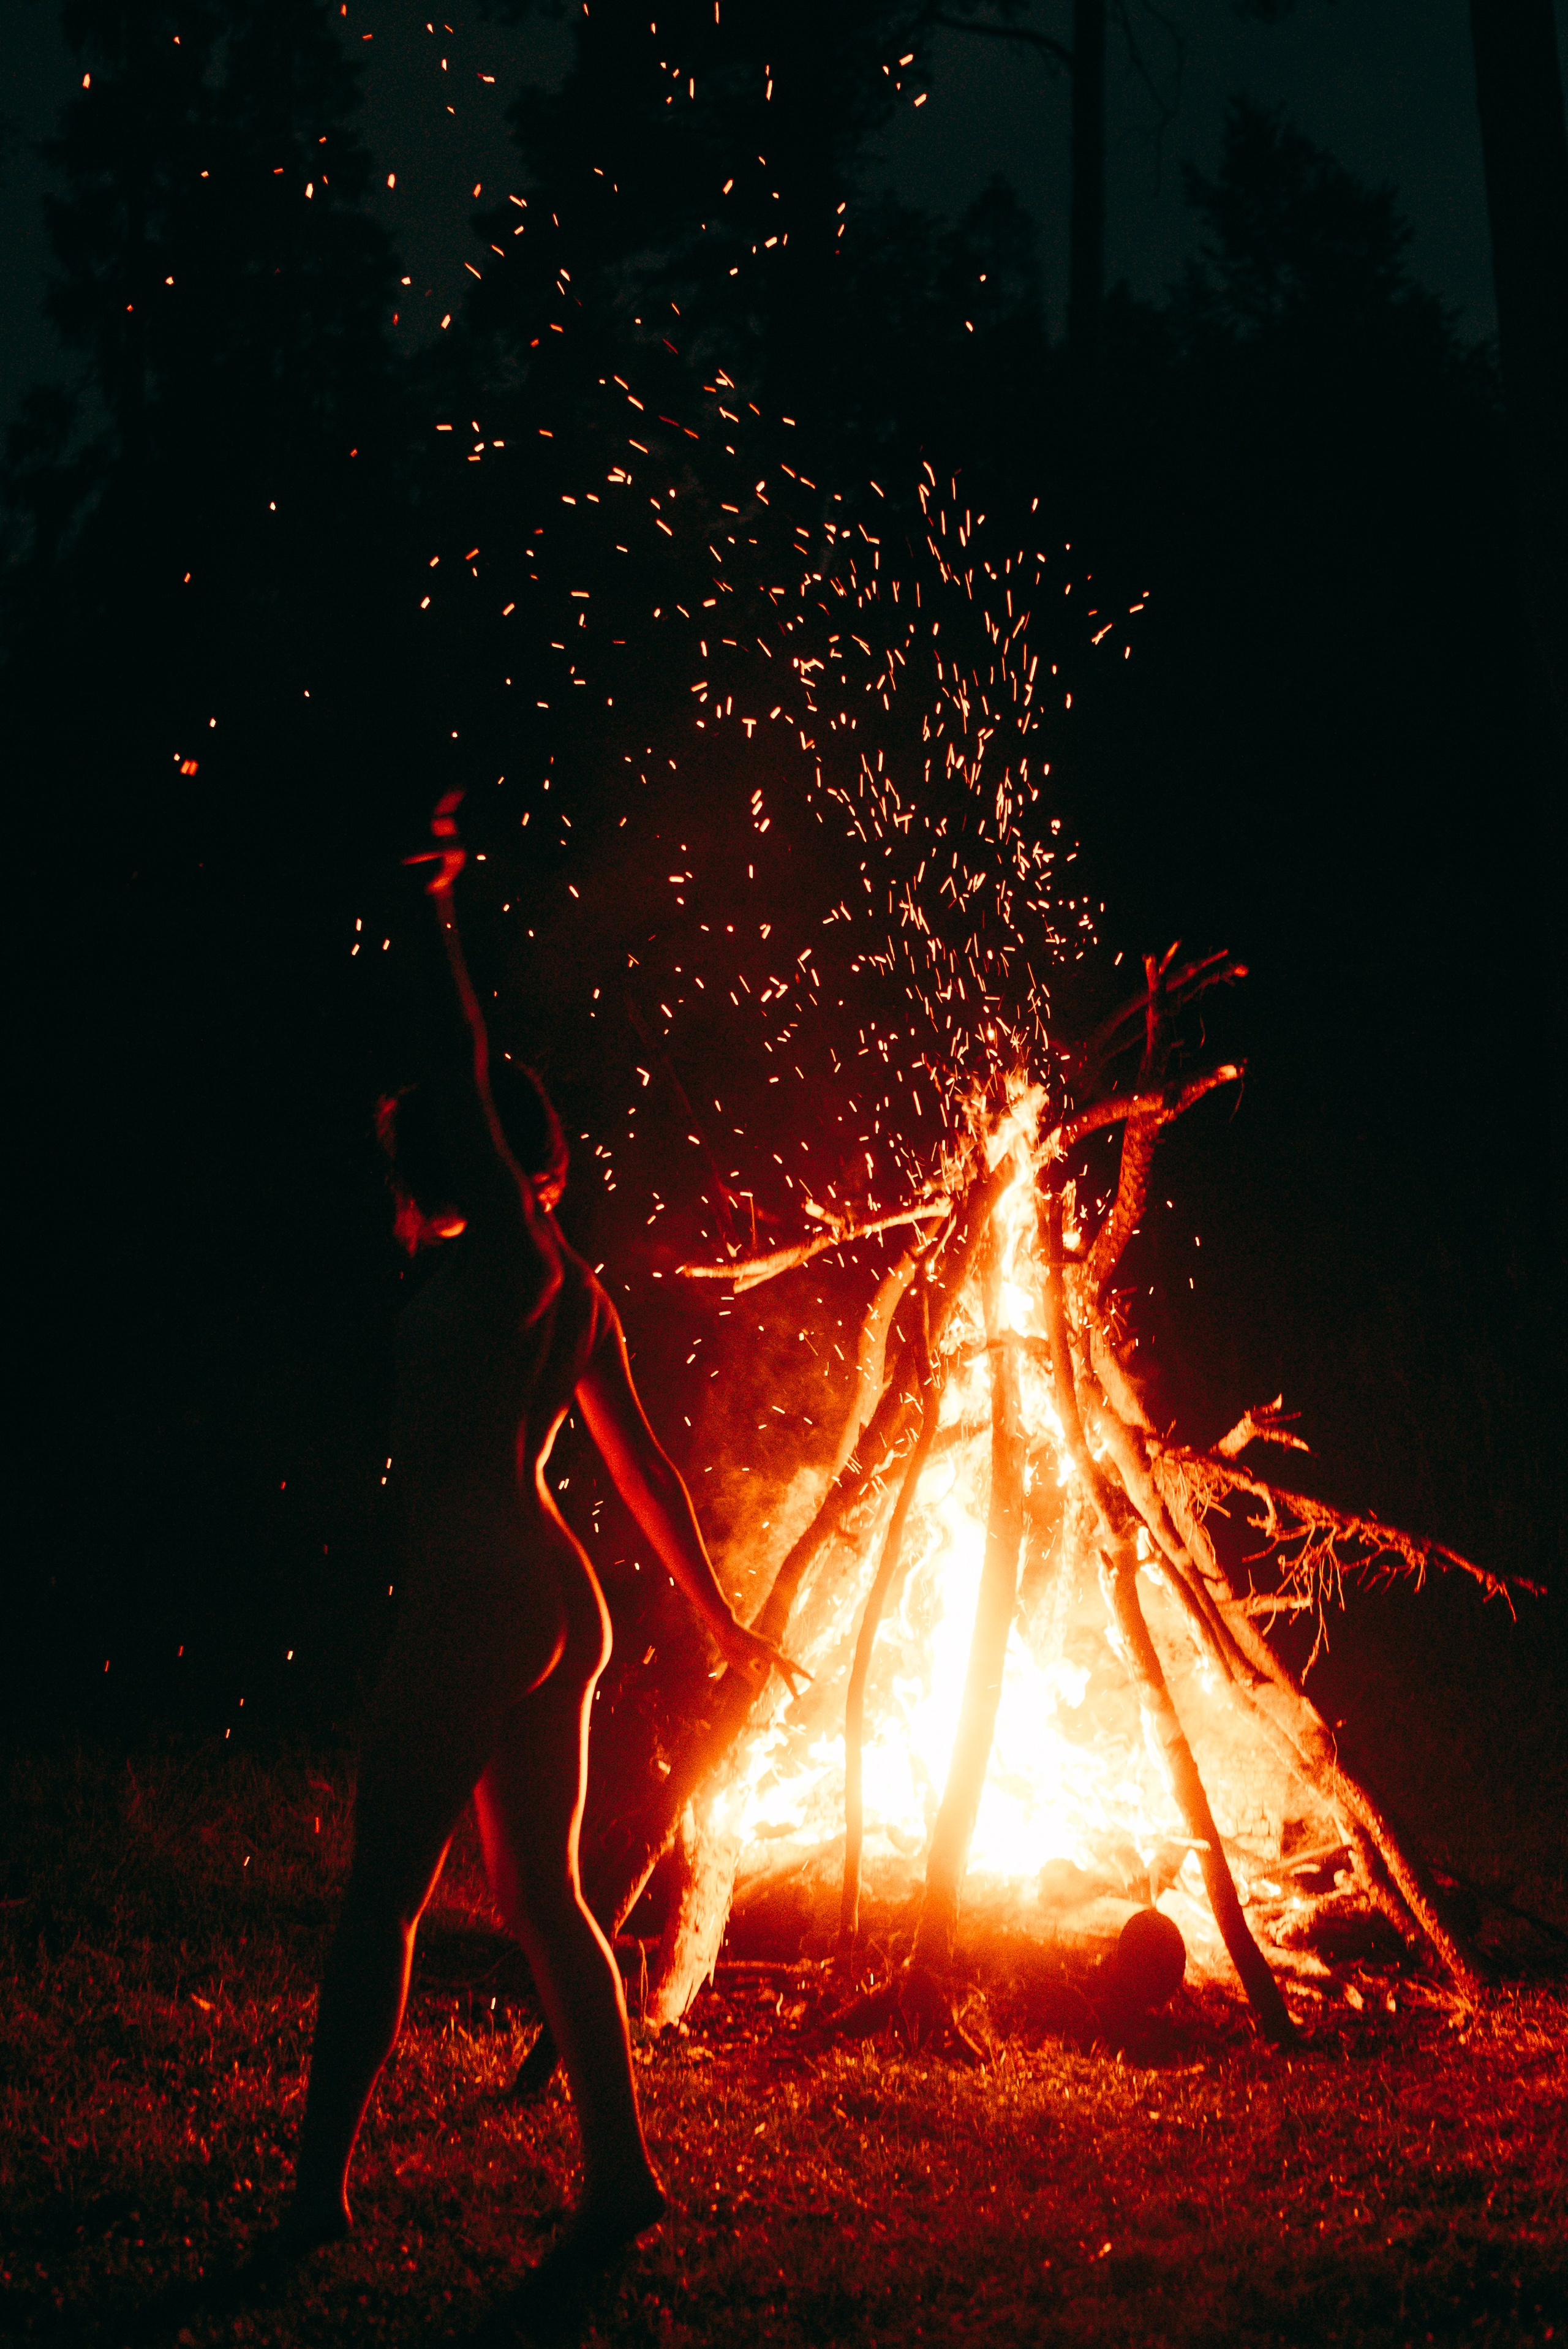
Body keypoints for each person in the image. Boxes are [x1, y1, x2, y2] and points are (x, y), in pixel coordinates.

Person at [286, 793, 802, 2274]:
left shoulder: (514, 1254)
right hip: (552, 1594)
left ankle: (315, 2193)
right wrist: (715, 1619)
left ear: (474, 1161)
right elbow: (641, 1471)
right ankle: (619, 2175)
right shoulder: (569, 1289)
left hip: (479, 1590)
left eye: (416, 1145)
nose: (399, 1157)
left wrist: (437, 914)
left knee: (383, 1893)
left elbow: (454, 1069)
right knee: (540, 1897)